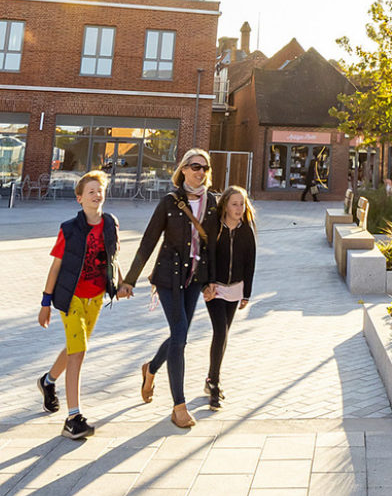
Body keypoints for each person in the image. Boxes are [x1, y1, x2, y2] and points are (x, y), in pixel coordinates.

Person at [122, 147, 215, 429]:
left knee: (181, 335)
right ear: (183, 169)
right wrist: (129, 279)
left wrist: (212, 281)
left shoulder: (213, 202)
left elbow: (212, 245)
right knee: (179, 334)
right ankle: (179, 406)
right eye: (195, 166)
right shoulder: (169, 202)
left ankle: (150, 369)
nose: (200, 172)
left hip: (195, 279)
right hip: (168, 278)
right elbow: (148, 241)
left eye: (205, 168)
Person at [37, 171, 130, 439]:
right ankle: (73, 417)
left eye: (99, 190)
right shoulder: (69, 229)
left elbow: (112, 258)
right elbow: (55, 268)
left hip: (96, 297)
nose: (96, 195)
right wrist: (45, 304)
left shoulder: (111, 223)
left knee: (74, 346)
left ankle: (48, 381)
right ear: (79, 198)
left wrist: (121, 284)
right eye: (90, 191)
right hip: (71, 298)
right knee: (79, 351)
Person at [202, 185, 257, 410]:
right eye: (234, 204)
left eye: (242, 204)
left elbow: (249, 264)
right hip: (215, 288)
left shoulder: (246, 230)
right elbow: (206, 257)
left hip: (235, 289)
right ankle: (214, 383)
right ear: (224, 205)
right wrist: (207, 283)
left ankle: (211, 378)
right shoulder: (215, 227)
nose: (239, 208)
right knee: (220, 331)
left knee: (223, 334)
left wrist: (247, 294)